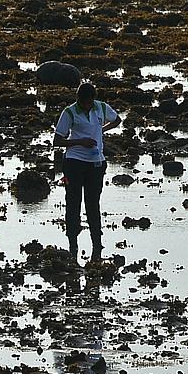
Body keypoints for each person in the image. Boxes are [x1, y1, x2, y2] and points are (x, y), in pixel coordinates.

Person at [53, 81, 120, 263]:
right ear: (78, 99)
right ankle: (72, 244)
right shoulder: (69, 112)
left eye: (90, 101)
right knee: (73, 202)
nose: (87, 105)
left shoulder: (101, 108)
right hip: (74, 162)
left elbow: (117, 120)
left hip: (96, 163)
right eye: (84, 102)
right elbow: (57, 141)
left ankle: (97, 245)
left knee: (93, 204)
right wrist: (80, 142)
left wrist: (101, 130)